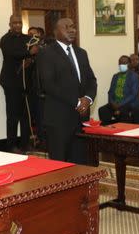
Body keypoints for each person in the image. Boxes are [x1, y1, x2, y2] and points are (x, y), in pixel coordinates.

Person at [37, 17, 97, 164]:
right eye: (66, 27)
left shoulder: (81, 53)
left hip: (81, 119)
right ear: (56, 31)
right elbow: (49, 85)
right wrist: (76, 102)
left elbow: (91, 80)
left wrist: (87, 99)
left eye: (73, 26)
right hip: (59, 119)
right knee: (59, 165)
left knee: (82, 162)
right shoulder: (47, 53)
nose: (72, 30)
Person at [0, 15, 37, 152]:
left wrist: (31, 60)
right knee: (13, 116)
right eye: (14, 23)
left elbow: (35, 54)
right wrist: (28, 53)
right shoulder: (5, 40)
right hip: (11, 83)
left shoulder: (27, 39)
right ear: (10, 24)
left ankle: (25, 144)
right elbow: (12, 54)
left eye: (19, 23)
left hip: (26, 83)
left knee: (26, 115)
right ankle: (11, 145)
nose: (17, 25)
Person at [97, 55, 139, 125]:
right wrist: (112, 103)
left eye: (124, 63)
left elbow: (133, 94)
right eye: (120, 63)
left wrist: (119, 105)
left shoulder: (134, 76)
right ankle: (108, 132)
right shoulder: (115, 76)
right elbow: (110, 92)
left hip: (129, 104)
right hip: (115, 103)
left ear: (129, 64)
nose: (122, 65)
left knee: (123, 112)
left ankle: (123, 133)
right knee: (102, 110)